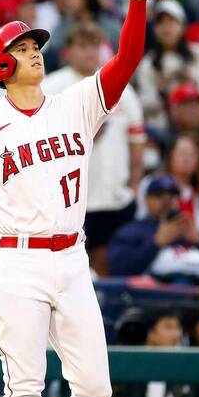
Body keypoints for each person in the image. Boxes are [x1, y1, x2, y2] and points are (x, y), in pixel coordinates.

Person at [0, 0, 168, 397]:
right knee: (24, 389)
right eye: (21, 49)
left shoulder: (74, 104)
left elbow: (128, 58)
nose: (33, 52)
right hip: (17, 262)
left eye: (34, 45)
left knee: (97, 388)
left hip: (72, 259)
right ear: (1, 65)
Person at [42, 21, 145, 276]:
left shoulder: (121, 87)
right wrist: (85, 134)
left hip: (116, 198)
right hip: (73, 200)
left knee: (115, 268)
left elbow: (137, 142)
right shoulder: (52, 87)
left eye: (94, 46)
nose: (89, 53)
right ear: (69, 51)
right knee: (75, 272)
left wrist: (133, 186)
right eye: (82, 46)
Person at [135, 0, 199, 131]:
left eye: (172, 21)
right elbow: (141, 106)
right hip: (164, 132)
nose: (166, 27)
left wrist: (196, 83)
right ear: (155, 30)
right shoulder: (148, 64)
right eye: (161, 23)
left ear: (183, 26)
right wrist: (159, 91)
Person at [108, 174, 199, 283]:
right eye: (159, 195)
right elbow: (119, 270)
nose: (166, 202)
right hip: (152, 295)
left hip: (196, 291)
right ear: (147, 199)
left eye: (172, 196)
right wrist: (155, 244)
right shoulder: (132, 230)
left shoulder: (187, 228)